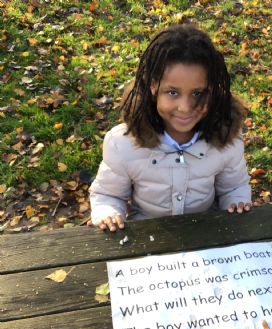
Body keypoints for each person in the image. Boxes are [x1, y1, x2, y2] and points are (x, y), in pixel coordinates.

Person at [89, 24, 252, 232]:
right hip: (146, 235)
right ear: (153, 86)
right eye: (173, 93)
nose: (185, 108)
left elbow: (233, 187)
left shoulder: (226, 137)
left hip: (207, 233)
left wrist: (236, 202)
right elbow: (108, 194)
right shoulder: (123, 143)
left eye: (197, 93)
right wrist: (108, 211)